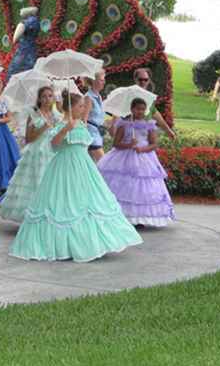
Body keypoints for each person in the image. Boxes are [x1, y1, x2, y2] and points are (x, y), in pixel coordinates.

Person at [9, 91, 143, 262]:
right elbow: (53, 146)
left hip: (84, 168)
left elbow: (84, 145)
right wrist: (65, 129)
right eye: (80, 106)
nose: (83, 108)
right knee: (63, 206)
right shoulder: (61, 124)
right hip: (63, 167)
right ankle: (65, 245)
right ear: (71, 107)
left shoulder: (81, 124)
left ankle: (94, 242)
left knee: (89, 204)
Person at [97, 98, 176, 227]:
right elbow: (116, 143)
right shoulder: (124, 124)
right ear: (132, 109)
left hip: (144, 158)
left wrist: (142, 148)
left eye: (143, 109)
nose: (140, 112)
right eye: (137, 109)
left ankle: (140, 217)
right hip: (124, 157)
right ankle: (123, 214)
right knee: (127, 185)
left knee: (142, 185)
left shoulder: (148, 124)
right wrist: (129, 145)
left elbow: (154, 144)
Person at [0, 86, 62, 222]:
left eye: (50, 96)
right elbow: (29, 138)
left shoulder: (57, 115)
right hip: (36, 151)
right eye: (44, 96)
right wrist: (44, 127)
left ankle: (49, 214)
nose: (47, 99)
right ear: (39, 99)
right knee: (35, 183)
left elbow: (59, 135)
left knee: (51, 184)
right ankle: (32, 215)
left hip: (52, 151)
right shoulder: (33, 115)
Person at [6, 7, 40, 80]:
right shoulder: (37, 21)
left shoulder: (24, 23)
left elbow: (15, 39)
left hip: (23, 51)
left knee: (14, 74)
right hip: (32, 50)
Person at [84, 69, 107, 162]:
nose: (104, 82)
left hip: (98, 135)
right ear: (94, 81)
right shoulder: (88, 97)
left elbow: (99, 117)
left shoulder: (99, 96)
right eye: (101, 80)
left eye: (104, 80)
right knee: (104, 164)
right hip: (91, 137)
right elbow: (83, 119)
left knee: (93, 167)